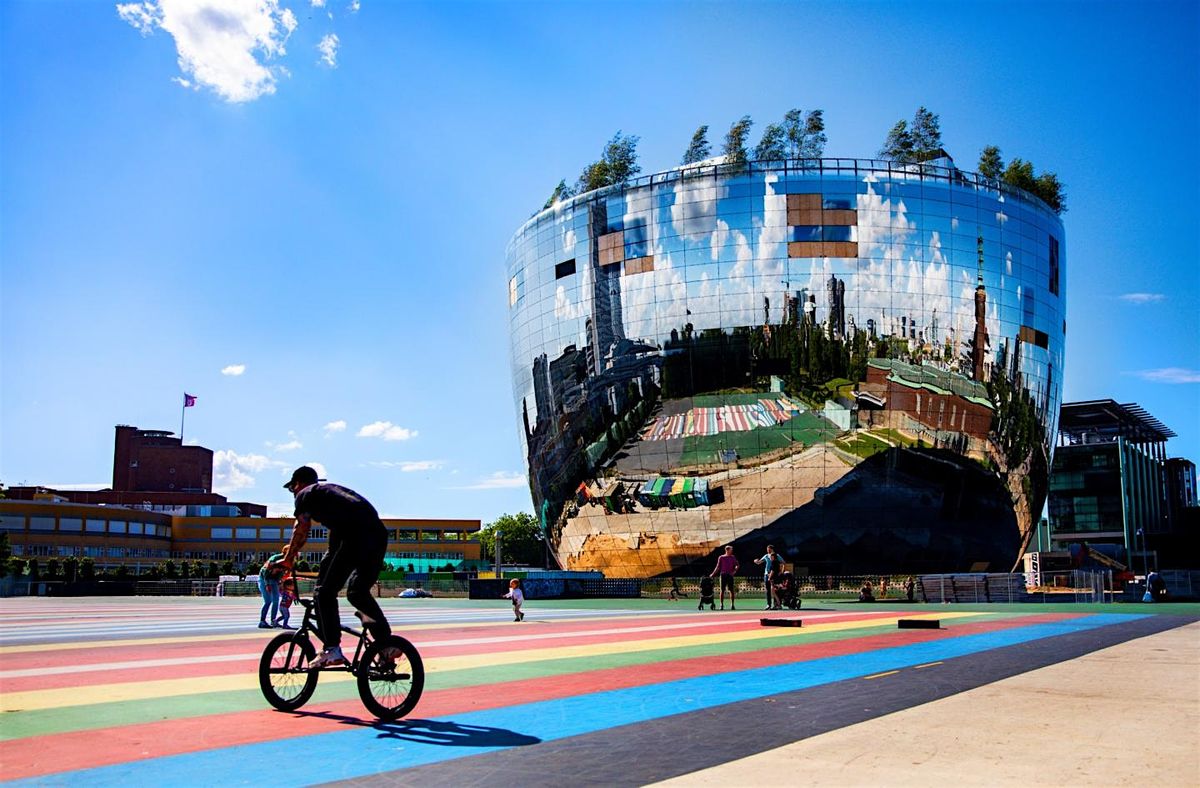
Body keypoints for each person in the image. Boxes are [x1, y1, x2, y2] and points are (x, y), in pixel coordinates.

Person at [279, 465, 398, 667]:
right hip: (377, 536)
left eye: (292, 488)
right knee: (357, 593)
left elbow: (301, 528)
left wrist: (288, 559)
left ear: (298, 484)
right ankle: (386, 645)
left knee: (324, 593)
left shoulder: (306, 493)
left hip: (356, 536)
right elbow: (331, 557)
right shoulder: (337, 506)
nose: (293, 493)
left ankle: (332, 648)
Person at [257, 550, 284, 628]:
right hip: (264, 579)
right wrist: (267, 584)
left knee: (276, 600)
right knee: (268, 601)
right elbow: (265, 570)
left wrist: (280, 583)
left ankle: (273, 620)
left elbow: (282, 574)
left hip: (274, 580)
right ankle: (262, 621)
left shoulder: (288, 561)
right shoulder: (275, 558)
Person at [753, 545, 783, 610]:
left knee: (774, 590)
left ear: (772, 549)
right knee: (768, 590)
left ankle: (776, 605)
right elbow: (759, 562)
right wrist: (755, 561)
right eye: (767, 549)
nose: (768, 550)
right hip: (767, 574)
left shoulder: (776, 555)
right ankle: (768, 604)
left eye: (769, 549)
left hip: (774, 575)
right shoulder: (766, 556)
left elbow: (783, 563)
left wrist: (781, 571)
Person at [710, 545, 739, 610]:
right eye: (730, 550)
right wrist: (713, 574)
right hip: (723, 575)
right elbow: (718, 567)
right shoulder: (721, 557)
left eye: (731, 550)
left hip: (730, 575)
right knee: (722, 590)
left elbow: (737, 565)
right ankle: (721, 605)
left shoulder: (733, 557)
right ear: (727, 550)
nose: (731, 551)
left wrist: (734, 571)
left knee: (731, 590)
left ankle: (732, 605)